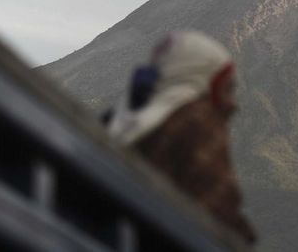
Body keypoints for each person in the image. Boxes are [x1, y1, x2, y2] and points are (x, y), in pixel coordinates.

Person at [107, 30, 256, 243]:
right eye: (226, 88)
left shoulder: (124, 120)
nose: (233, 103)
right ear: (203, 80)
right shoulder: (196, 123)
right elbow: (222, 213)